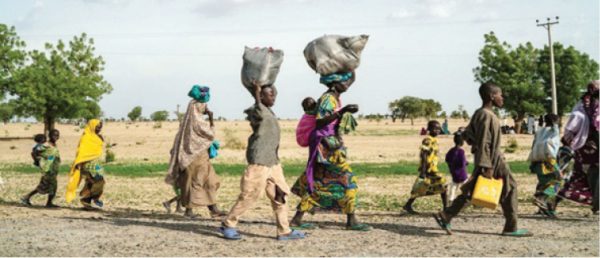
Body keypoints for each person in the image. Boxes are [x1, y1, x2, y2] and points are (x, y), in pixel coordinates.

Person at [433, 82, 532, 237]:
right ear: (492, 96)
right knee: (510, 187)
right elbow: (485, 141)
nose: (502, 97)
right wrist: (487, 165)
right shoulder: (487, 115)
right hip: (493, 159)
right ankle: (511, 227)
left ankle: (447, 214)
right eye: (500, 94)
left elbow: (467, 134)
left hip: (487, 159)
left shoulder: (479, 113)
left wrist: (479, 153)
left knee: (474, 190)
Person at [220, 82, 305, 240]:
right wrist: (257, 93)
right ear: (260, 96)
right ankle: (228, 224)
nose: (274, 96)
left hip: (273, 161)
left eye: (274, 94)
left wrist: (261, 93)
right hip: (259, 160)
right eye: (270, 94)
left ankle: (284, 230)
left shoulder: (268, 111)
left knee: (281, 194)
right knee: (250, 194)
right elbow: (257, 108)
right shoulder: (257, 111)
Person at [290, 71, 370, 231]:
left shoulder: (333, 97)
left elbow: (351, 78)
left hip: (327, 146)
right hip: (326, 148)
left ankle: (297, 219)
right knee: (348, 180)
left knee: (318, 182)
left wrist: (352, 66)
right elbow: (320, 122)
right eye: (344, 82)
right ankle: (351, 220)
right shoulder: (328, 99)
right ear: (334, 84)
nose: (347, 85)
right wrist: (343, 111)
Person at [164, 85, 226, 218]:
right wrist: (210, 118)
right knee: (191, 184)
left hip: (200, 157)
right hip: (191, 159)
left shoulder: (191, 122)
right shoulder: (197, 123)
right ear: (198, 107)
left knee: (210, 181)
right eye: (204, 105)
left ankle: (213, 208)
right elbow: (210, 134)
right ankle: (190, 210)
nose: (206, 108)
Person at [558, 80, 599, 214]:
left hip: (579, 150)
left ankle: (548, 199)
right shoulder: (591, 108)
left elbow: (570, 130)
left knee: (581, 175)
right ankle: (547, 198)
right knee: (566, 179)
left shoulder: (581, 106)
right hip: (587, 149)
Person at [403, 120, 448, 213]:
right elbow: (424, 155)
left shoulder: (434, 140)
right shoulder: (427, 140)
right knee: (443, 187)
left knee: (421, 188)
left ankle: (408, 205)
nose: (437, 131)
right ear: (429, 129)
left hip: (433, 168)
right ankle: (446, 209)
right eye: (435, 129)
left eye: (438, 129)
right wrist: (423, 171)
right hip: (428, 169)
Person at [65, 119, 106, 209]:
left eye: (100, 127)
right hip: (88, 164)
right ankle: (87, 198)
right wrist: (79, 163)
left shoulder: (98, 136)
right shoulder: (86, 137)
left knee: (93, 182)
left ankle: (87, 200)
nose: (99, 129)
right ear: (92, 126)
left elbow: (98, 149)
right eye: (97, 127)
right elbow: (82, 151)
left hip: (96, 163)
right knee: (99, 181)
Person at [528, 114, 561, 217]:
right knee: (556, 183)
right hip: (549, 162)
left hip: (537, 162)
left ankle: (544, 208)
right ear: (555, 121)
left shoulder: (539, 131)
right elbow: (551, 150)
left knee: (543, 184)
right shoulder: (554, 132)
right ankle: (541, 199)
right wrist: (557, 169)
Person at [21, 129, 61, 208]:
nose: (56, 137)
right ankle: (26, 197)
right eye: (54, 135)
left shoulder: (53, 145)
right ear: (49, 136)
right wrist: (37, 161)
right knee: (44, 185)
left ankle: (49, 203)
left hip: (53, 169)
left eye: (57, 135)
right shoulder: (46, 145)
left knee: (52, 186)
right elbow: (34, 152)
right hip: (47, 169)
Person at [445, 132, 469, 203]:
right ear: (462, 142)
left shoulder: (451, 151)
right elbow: (462, 163)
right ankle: (467, 198)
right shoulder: (461, 151)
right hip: (462, 173)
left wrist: (451, 166)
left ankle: (451, 199)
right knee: (465, 186)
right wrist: (466, 163)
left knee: (454, 186)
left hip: (454, 172)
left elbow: (447, 159)